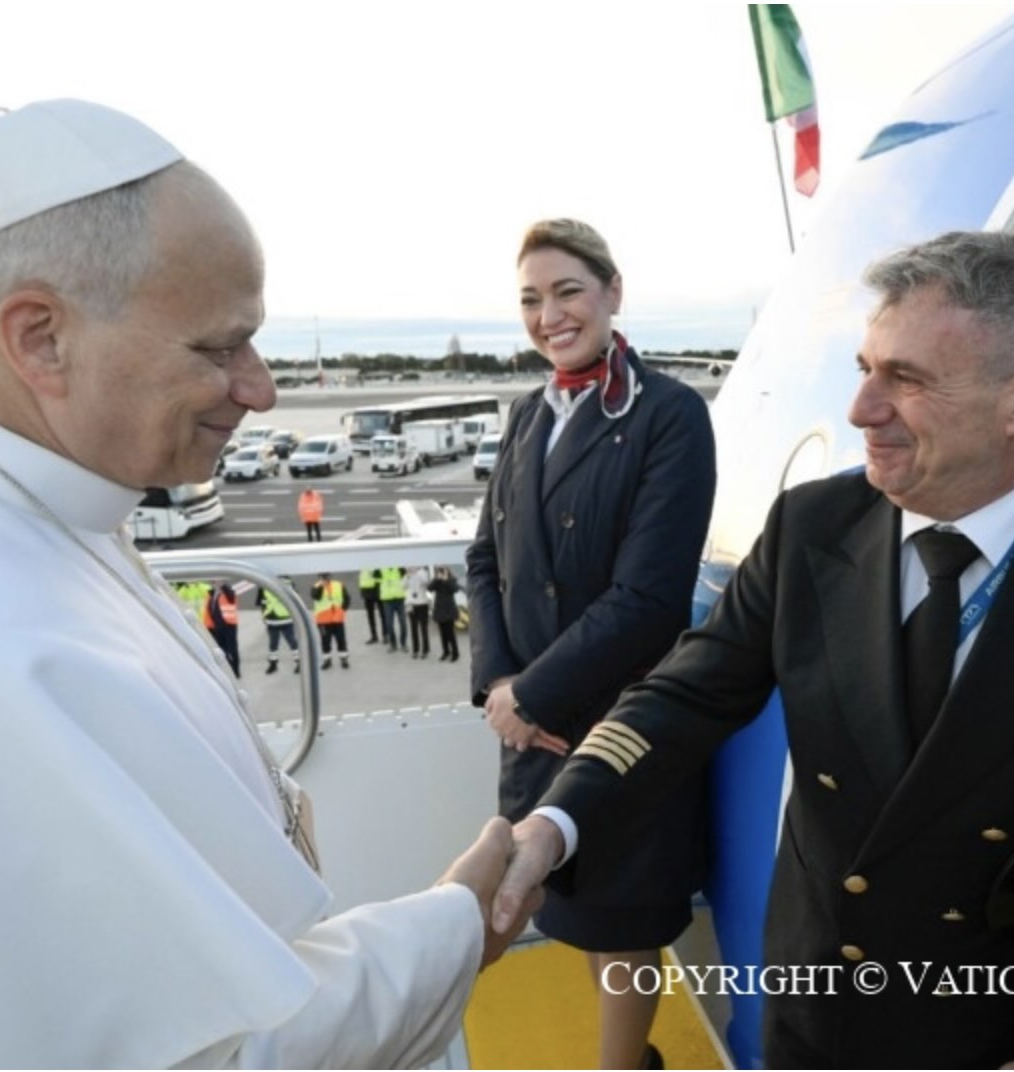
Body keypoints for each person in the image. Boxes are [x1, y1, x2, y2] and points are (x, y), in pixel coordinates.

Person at [0, 99, 538, 1069]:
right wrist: (461, 925)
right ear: (40, 338)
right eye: (216, 345)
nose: (261, 388)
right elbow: (225, 1054)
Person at [496, 231, 1014, 1069]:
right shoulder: (812, 529)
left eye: (906, 379)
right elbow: (681, 698)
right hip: (813, 1011)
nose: (861, 408)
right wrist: (554, 826)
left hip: (1002, 1040)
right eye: (865, 368)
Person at [468, 218, 717, 1070]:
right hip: (530, 717)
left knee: (619, 921)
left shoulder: (671, 416)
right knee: (538, 903)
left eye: (568, 290)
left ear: (613, 292)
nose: (550, 315)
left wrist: (530, 694)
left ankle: (622, 1066)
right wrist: (501, 687)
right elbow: (483, 557)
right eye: (532, 299)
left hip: (620, 719)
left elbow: (648, 600)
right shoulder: (527, 415)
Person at [257, 582, 301, 674]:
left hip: (284, 619)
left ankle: (298, 662)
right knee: (276, 643)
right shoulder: (288, 584)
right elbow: (262, 603)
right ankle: (274, 663)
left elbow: (261, 604)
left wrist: (264, 615)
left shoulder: (265, 584)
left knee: (289, 642)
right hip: (274, 620)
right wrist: (264, 616)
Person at [311, 571, 350, 670]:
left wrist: (342, 610)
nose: (325, 578)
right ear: (319, 577)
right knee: (325, 641)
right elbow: (316, 597)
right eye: (322, 576)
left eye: (326, 576)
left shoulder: (338, 585)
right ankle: (327, 660)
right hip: (323, 621)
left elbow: (347, 598)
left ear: (330, 576)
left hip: (338, 619)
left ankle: (344, 659)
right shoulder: (315, 587)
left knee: (341, 639)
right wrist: (321, 586)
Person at [207, 581, 242, 678]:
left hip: (229, 625)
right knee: (221, 649)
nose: (215, 584)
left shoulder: (228, 592)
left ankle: (236, 671)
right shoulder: (213, 594)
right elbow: (211, 609)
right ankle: (227, 670)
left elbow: (231, 596)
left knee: (232, 649)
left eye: (216, 582)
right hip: (218, 626)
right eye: (214, 582)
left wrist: (223, 586)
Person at [428, 565, 461, 662]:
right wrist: (437, 579)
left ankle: (455, 653)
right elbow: (429, 588)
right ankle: (446, 652)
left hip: (449, 610)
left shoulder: (452, 579)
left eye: (443, 570)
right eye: (440, 570)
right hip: (439, 610)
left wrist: (446, 580)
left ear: (448, 571)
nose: (442, 572)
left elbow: (455, 589)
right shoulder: (437, 581)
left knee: (450, 633)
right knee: (442, 634)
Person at [378, 565, 407, 652]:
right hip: (387, 600)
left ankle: (403, 643)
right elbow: (373, 578)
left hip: (400, 599)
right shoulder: (380, 569)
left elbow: (406, 577)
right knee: (389, 624)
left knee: (403, 623)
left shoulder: (399, 567)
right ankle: (393, 644)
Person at [406, 564, 433, 659]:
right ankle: (415, 650)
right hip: (412, 605)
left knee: (423, 628)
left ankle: (425, 650)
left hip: (422, 604)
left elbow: (426, 583)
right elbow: (403, 586)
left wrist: (416, 574)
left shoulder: (423, 572)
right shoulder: (407, 574)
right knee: (413, 629)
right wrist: (408, 576)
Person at [359, 567, 383, 643]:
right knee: (370, 616)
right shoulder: (363, 567)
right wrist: (362, 593)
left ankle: (385, 635)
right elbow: (362, 580)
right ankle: (374, 636)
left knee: (383, 615)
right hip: (367, 593)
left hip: (377, 591)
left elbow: (381, 578)